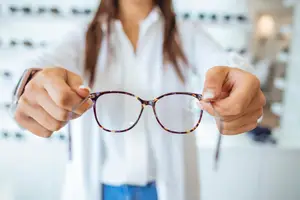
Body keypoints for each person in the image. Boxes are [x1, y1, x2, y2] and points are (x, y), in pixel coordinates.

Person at [12, 0, 265, 200]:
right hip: (101, 189)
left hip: (164, 190)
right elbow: (40, 65)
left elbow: (221, 62)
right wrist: (33, 83)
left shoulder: (186, 34)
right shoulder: (83, 36)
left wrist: (238, 81)